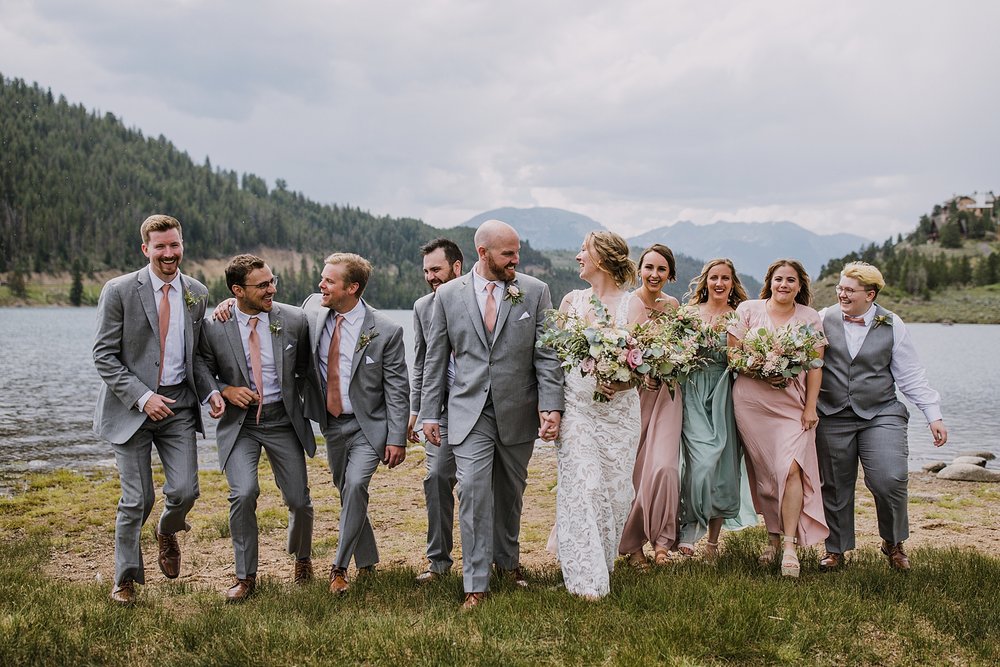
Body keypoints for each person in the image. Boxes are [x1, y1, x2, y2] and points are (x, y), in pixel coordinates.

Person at [421, 219, 564, 610]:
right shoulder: (448, 295)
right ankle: (476, 583)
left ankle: (508, 561)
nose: (516, 260)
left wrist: (551, 406)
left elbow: (547, 355)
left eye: (517, 252)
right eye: (508, 254)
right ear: (483, 253)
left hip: (517, 409)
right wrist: (428, 413)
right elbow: (435, 359)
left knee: (510, 492)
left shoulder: (535, 292)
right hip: (469, 412)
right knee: (472, 490)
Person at [93, 214, 223, 605]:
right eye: (160, 246)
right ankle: (125, 577)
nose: (169, 253)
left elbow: (198, 356)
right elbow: (103, 355)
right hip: (130, 409)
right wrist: (141, 396)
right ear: (145, 249)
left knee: (185, 491)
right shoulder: (118, 291)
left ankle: (167, 530)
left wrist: (210, 392)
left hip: (179, 406)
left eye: (175, 245)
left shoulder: (196, 291)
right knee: (137, 499)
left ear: (182, 244)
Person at [816, 261, 948, 572]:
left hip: (881, 412)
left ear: (870, 295)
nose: (841, 293)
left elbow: (911, 376)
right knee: (835, 484)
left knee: (890, 478)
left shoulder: (892, 324)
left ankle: (893, 542)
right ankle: (836, 549)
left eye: (849, 290)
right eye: (840, 287)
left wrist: (934, 415)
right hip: (833, 413)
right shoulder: (823, 318)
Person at [199, 254, 315, 602]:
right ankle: (245, 576)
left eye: (272, 281)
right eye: (262, 285)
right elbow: (201, 364)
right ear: (238, 290)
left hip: (283, 421)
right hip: (241, 424)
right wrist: (221, 390)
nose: (272, 289)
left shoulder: (294, 319)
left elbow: (308, 367)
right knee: (244, 492)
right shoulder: (214, 325)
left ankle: (303, 558)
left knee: (299, 500)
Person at [300, 253, 409, 595]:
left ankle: (338, 567)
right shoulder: (313, 312)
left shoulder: (386, 330)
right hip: (331, 424)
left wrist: (397, 438)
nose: (321, 285)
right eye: (322, 278)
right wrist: (231, 302)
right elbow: (275, 313)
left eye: (329, 281)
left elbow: (397, 389)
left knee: (356, 485)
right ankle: (368, 560)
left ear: (352, 288)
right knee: (347, 492)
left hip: (368, 427)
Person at [551, 231, 642, 599]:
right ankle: (585, 579)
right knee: (583, 487)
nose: (577, 256)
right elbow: (552, 361)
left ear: (601, 259)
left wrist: (620, 383)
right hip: (576, 410)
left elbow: (642, 365)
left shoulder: (631, 305)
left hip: (619, 415)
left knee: (615, 494)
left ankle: (601, 563)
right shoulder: (570, 302)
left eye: (583, 251)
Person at [728, 259, 828, 577]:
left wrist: (810, 407)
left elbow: (815, 366)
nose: (783, 285)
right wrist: (761, 369)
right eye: (778, 279)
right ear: (769, 281)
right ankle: (772, 540)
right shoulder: (748, 310)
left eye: (790, 280)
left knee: (791, 469)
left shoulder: (809, 318)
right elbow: (733, 355)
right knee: (767, 476)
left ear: (800, 287)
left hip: (792, 407)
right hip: (751, 403)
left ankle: (788, 546)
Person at [676, 258, 757, 560]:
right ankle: (689, 526)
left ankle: (711, 542)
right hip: (693, 390)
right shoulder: (687, 314)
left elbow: (748, 357)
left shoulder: (740, 317)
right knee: (701, 462)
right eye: (714, 278)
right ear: (705, 281)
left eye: (725, 278)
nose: (719, 283)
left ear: (733, 283)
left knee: (723, 467)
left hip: (725, 392)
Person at [619, 244, 683, 567]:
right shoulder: (631, 303)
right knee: (635, 467)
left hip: (669, 395)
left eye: (661, 269)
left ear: (670, 274)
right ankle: (632, 546)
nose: (654, 274)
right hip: (639, 394)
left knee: (665, 466)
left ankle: (662, 542)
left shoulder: (674, 306)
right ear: (639, 270)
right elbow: (633, 347)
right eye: (649, 268)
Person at [408, 238, 464, 583]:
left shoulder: (481, 299)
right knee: (437, 477)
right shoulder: (422, 307)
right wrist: (416, 410)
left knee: (479, 485)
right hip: (441, 408)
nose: (430, 277)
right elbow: (422, 363)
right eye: (426, 271)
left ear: (456, 267)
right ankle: (439, 562)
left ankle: (495, 558)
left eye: (436, 269)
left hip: (482, 408)